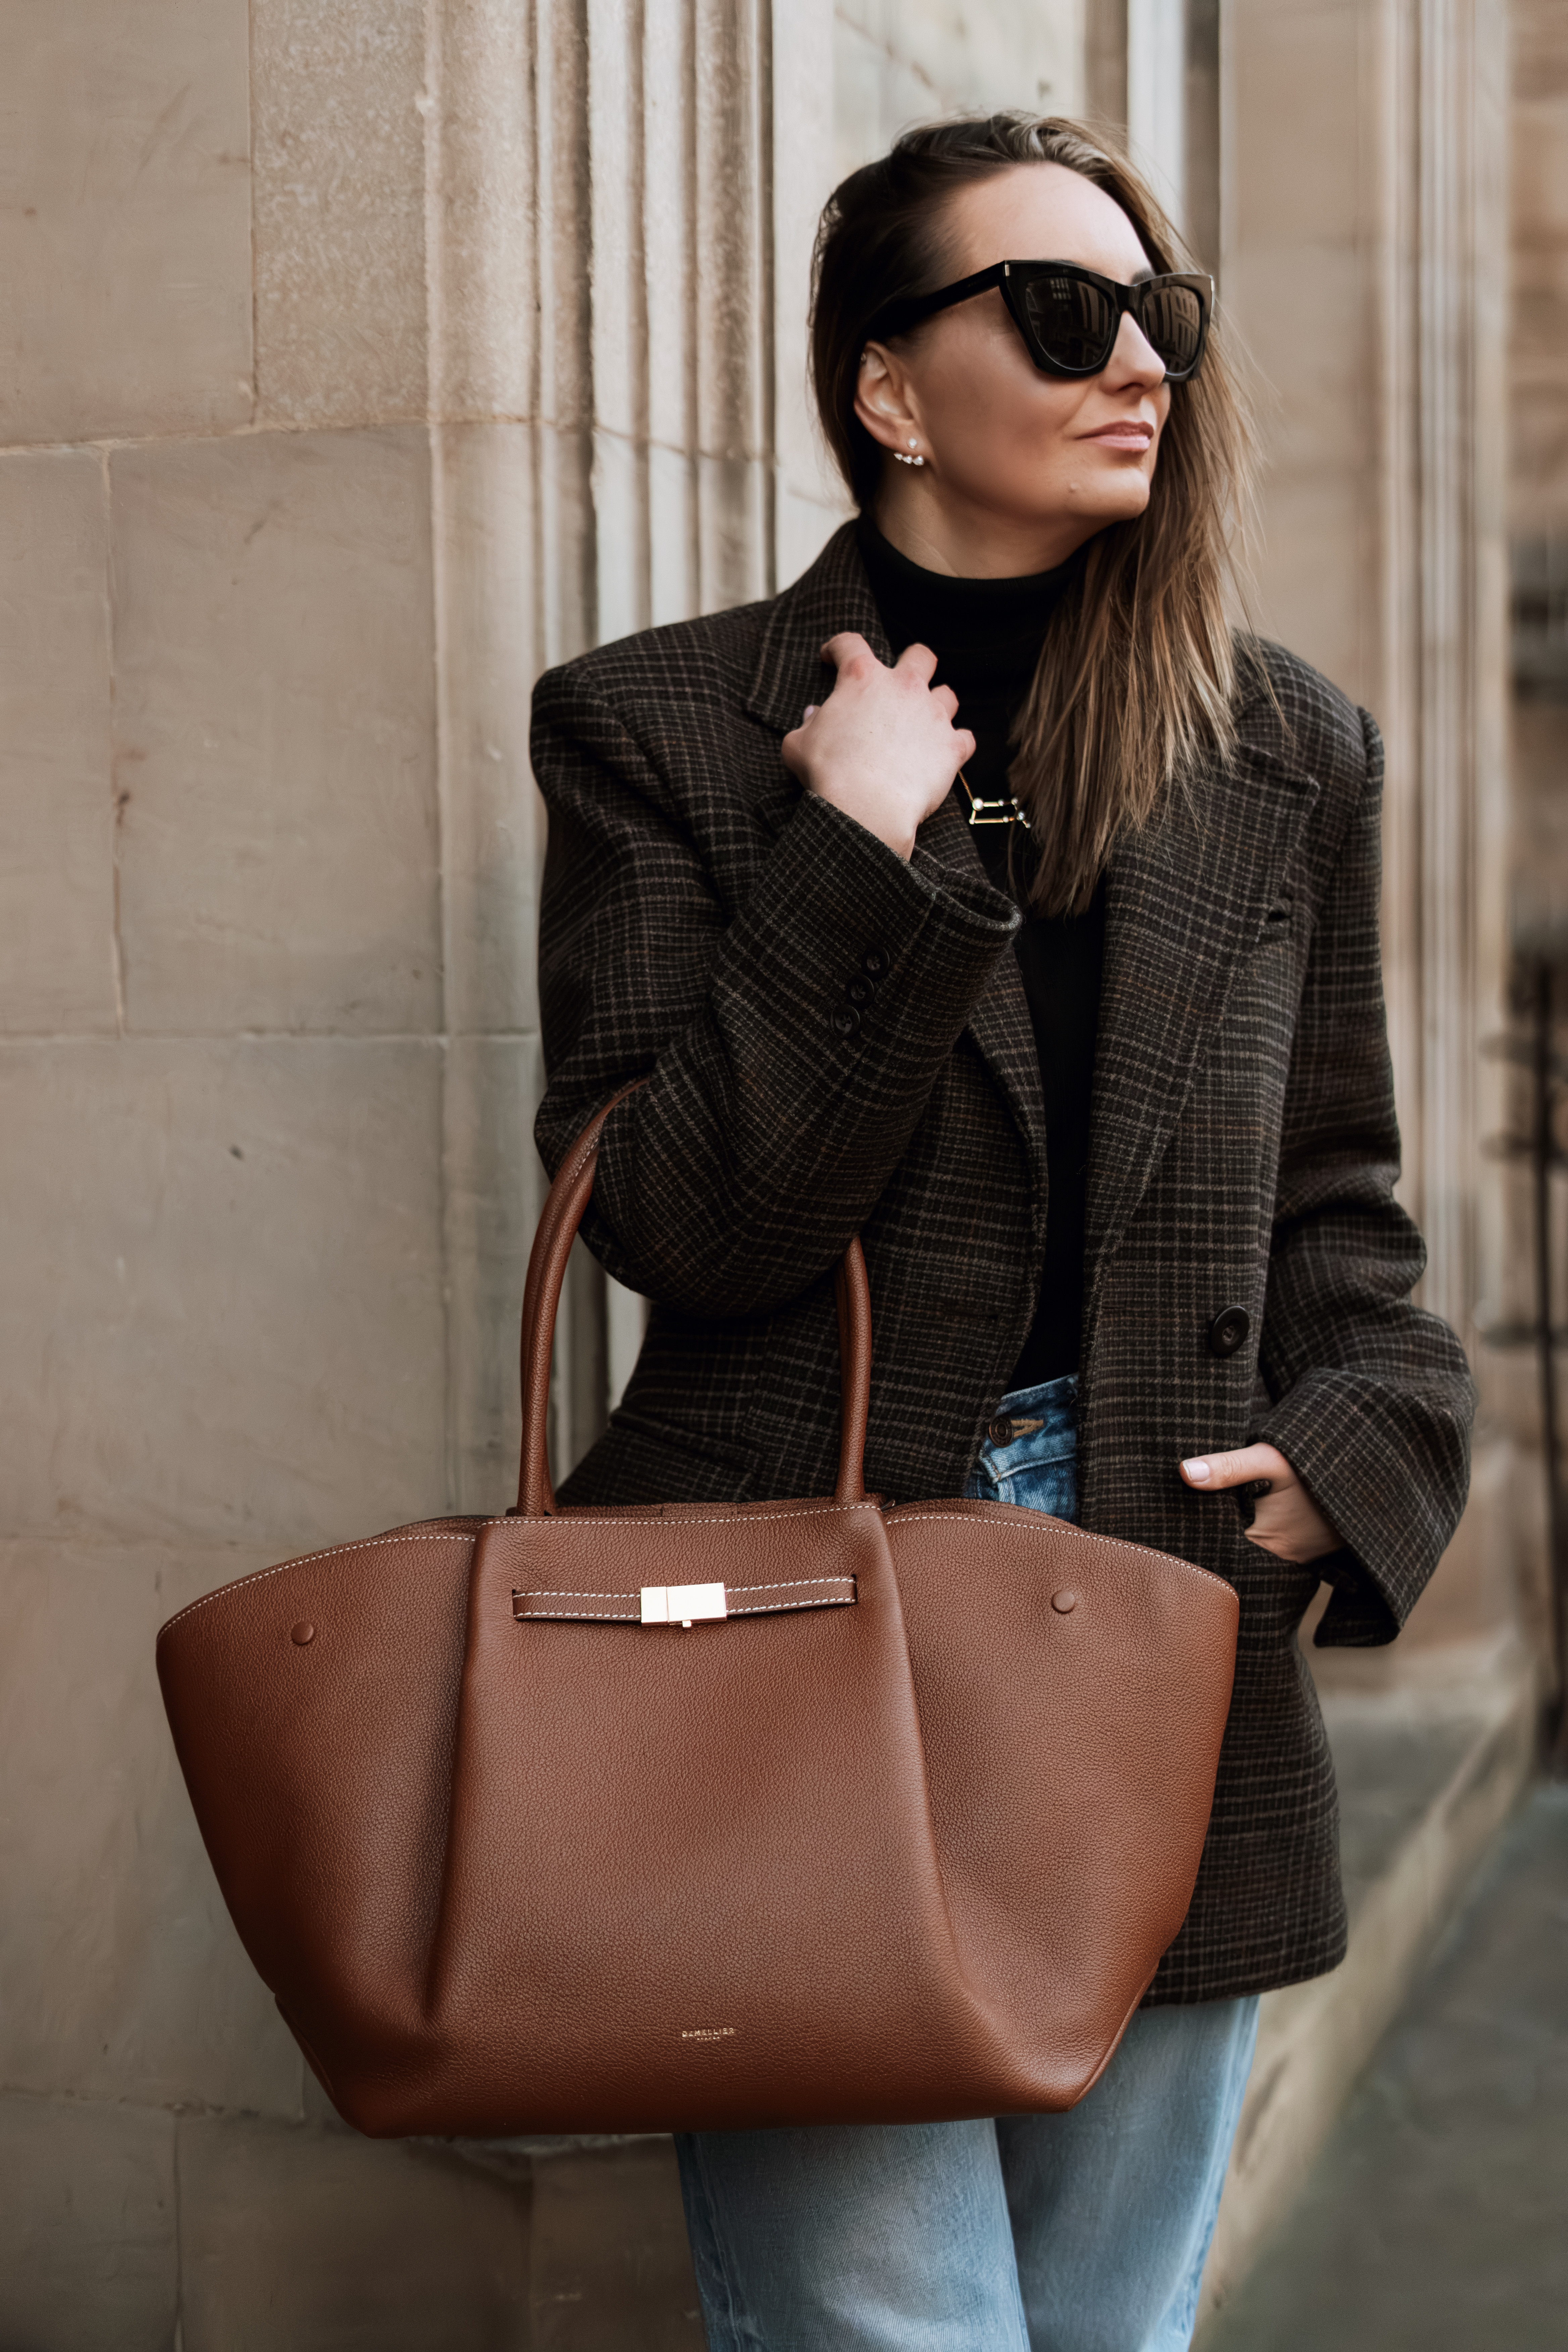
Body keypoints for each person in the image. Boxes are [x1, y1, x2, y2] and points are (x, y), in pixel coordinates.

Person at [530, 112, 1474, 2352]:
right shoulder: (659, 730)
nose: (1137, 356)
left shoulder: (1282, 750)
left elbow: (1341, 1212)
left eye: (1163, 314)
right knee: (889, 2328)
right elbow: (694, 1223)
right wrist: (858, 856)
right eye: (1064, 313)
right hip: (796, 1618)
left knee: (1108, 2327)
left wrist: (1357, 1464)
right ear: (888, 388)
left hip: (1164, 1601)